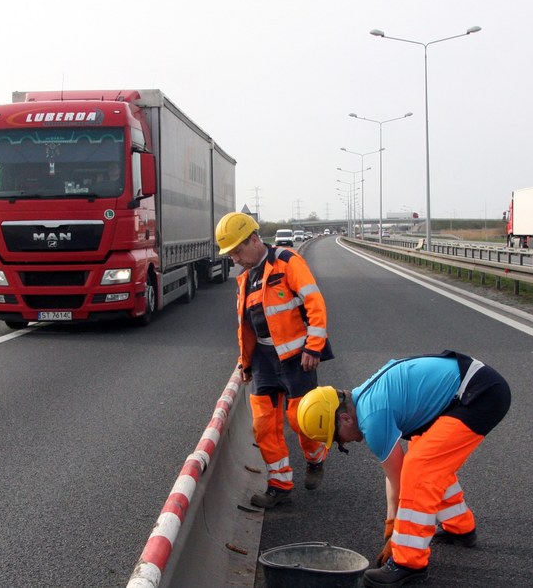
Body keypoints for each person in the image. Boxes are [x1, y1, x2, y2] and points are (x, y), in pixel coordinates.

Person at [296, 351, 511, 588]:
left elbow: (400, 478)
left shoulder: (372, 419)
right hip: (473, 387)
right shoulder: (364, 400)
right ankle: (459, 528)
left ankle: (408, 563)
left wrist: (396, 533)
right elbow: (394, 473)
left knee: (420, 469)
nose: (344, 443)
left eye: (337, 438)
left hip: (480, 394)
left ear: (345, 418)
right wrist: (391, 525)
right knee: (428, 458)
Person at [214, 211, 333, 508]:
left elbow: (314, 302)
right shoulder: (244, 279)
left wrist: (314, 346)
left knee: (300, 419)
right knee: (264, 425)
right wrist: (246, 363)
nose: (235, 259)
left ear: (254, 240)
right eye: (230, 255)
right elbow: (247, 326)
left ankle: (315, 459)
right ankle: (280, 485)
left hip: (297, 358)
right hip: (265, 360)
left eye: (237, 251)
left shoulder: (288, 262)